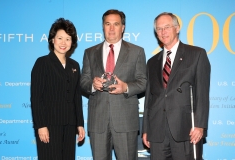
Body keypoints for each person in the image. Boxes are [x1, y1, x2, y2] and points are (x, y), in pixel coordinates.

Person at [142, 12, 211, 160]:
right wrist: (146, 129)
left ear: (177, 28)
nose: (163, 32)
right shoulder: (152, 62)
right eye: (159, 29)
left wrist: (200, 125)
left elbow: (202, 94)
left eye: (167, 27)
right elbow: (149, 99)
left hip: (186, 129)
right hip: (157, 131)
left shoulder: (197, 54)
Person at [80, 9, 147, 160]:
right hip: (98, 121)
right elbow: (83, 81)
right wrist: (92, 84)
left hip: (125, 121)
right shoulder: (90, 52)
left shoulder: (137, 52)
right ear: (102, 26)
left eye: (116, 24)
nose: (111, 28)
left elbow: (143, 82)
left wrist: (126, 87)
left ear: (123, 27)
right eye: (107, 24)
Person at [31, 18, 85, 160]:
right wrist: (41, 125)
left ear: (72, 42)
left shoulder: (75, 65)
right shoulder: (42, 63)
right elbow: (36, 98)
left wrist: (80, 123)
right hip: (49, 124)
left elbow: (76, 97)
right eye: (60, 38)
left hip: (69, 124)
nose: (63, 42)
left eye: (68, 39)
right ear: (52, 40)